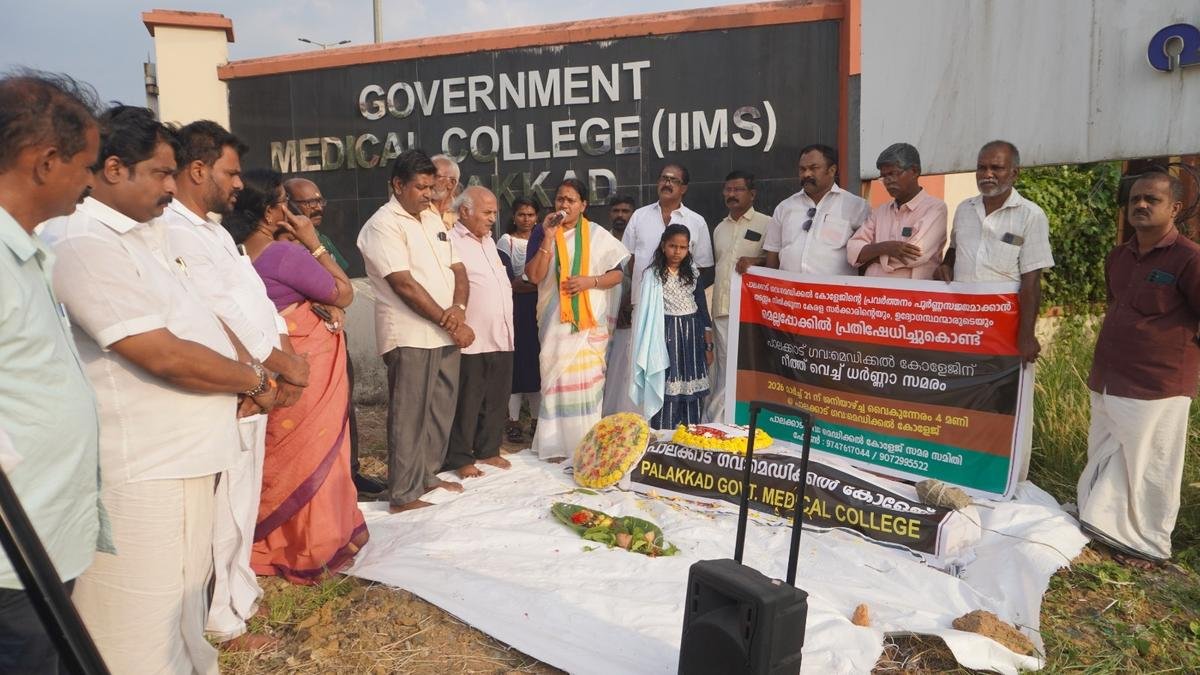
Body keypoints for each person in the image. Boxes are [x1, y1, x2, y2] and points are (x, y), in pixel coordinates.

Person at [43, 105, 275, 675]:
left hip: (189, 456)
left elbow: (202, 316)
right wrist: (252, 380)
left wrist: (248, 370)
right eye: (161, 173)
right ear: (113, 169)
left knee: (183, 612)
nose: (172, 188)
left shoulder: (148, 233)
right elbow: (161, 353)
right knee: (135, 633)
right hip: (143, 469)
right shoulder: (82, 240)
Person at [161, 120, 310, 645]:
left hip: (255, 382)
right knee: (222, 508)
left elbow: (257, 303)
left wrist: (285, 361)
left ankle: (239, 594)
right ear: (198, 170)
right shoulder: (175, 231)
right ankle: (220, 618)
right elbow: (216, 313)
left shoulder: (216, 232)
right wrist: (264, 372)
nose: (240, 184)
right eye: (232, 173)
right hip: (233, 387)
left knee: (242, 500)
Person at [0, 70, 104, 674]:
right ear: (44, 163)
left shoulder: (26, 251)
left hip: (42, 540)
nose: (89, 182)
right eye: (85, 165)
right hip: (11, 560)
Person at [223, 169, 367, 583]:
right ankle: (312, 543)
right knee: (315, 452)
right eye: (283, 202)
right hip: (305, 367)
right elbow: (344, 292)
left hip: (270, 363)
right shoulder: (283, 255)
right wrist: (313, 242)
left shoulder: (234, 255)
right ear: (270, 212)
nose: (291, 209)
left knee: (279, 452)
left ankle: (272, 535)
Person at [1078, 170, 1200, 566]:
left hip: (1158, 383)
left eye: (1152, 199)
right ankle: (1104, 530)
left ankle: (1148, 545)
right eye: (1135, 199)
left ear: (1175, 208)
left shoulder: (1189, 259)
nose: (1141, 205)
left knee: (1151, 467)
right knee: (1105, 455)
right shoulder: (1119, 256)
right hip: (1109, 377)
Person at [358, 149, 474, 511]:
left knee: (439, 410)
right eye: (421, 188)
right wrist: (448, 320)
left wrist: (458, 311)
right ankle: (404, 493)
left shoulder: (432, 218)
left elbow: (458, 269)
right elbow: (404, 285)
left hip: (444, 332)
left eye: (431, 187)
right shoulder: (382, 224)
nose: (428, 194)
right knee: (409, 415)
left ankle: (426, 475)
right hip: (409, 334)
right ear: (398, 185)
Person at [285, 176, 385, 494]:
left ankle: (350, 473)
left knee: (343, 405)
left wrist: (333, 302)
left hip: (334, 336)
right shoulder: (282, 244)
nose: (317, 207)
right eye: (308, 202)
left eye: (320, 201)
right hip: (300, 342)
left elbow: (340, 285)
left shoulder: (320, 239)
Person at [523, 178, 629, 461]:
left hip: (588, 326)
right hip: (554, 323)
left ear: (583, 205)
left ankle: (584, 445)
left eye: (571, 200)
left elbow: (617, 275)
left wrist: (589, 281)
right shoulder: (542, 231)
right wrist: (548, 237)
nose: (564, 204)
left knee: (588, 385)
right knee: (555, 381)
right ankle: (554, 445)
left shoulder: (596, 234)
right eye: (560, 199)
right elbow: (534, 276)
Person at [935, 140, 1054, 363]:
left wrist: (1027, 335)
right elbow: (954, 248)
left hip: (1003, 326)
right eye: (982, 168)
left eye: (996, 168)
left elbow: (1031, 281)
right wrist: (946, 264)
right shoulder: (964, 209)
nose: (987, 174)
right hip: (960, 325)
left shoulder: (1031, 215)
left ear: (1014, 173)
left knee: (998, 382)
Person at [446, 186, 515, 477]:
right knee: (467, 401)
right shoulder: (450, 240)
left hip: (501, 333)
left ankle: (488, 450)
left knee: (496, 398)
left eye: (495, 213)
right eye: (487, 213)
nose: (492, 219)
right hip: (471, 336)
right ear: (465, 211)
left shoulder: (489, 242)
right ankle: (460, 457)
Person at [631, 224, 714, 429]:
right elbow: (647, 314)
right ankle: (662, 436)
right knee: (666, 385)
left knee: (691, 387)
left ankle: (689, 435)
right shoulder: (653, 275)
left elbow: (703, 310)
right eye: (672, 246)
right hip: (665, 336)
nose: (677, 252)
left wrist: (708, 346)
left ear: (688, 249)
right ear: (663, 246)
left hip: (692, 336)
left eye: (683, 247)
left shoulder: (693, 274)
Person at [706, 170, 771, 422]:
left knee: (744, 367)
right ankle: (719, 421)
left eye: (738, 189)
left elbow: (776, 263)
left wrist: (757, 261)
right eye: (728, 190)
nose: (731, 194)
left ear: (752, 194)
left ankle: (722, 420)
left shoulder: (767, 224)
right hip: (722, 309)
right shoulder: (719, 229)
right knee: (723, 366)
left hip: (751, 312)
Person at [763, 143, 870, 275]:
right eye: (802, 169)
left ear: (832, 170)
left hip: (835, 288)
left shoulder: (857, 206)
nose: (806, 174)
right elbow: (772, 256)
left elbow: (866, 259)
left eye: (814, 168)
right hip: (789, 288)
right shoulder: (784, 207)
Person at [847, 143, 947, 279]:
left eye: (893, 173)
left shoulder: (935, 208)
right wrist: (886, 248)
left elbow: (914, 257)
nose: (888, 181)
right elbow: (852, 252)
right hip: (874, 290)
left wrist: (870, 257)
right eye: (884, 177)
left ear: (914, 171)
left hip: (910, 292)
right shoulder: (880, 212)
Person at [623, 163, 714, 304]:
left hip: (679, 304)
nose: (667, 183)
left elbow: (701, 266)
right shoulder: (639, 216)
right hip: (643, 300)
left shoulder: (697, 222)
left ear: (683, 188)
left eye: (674, 180)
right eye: (664, 178)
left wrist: (678, 285)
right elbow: (630, 257)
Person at [497, 196, 542, 442]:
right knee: (516, 365)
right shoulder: (506, 242)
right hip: (516, 310)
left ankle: (536, 421)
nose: (526, 219)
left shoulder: (544, 240)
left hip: (540, 310)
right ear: (514, 217)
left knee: (537, 366)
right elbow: (509, 282)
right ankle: (513, 421)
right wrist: (536, 285)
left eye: (531, 215)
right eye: (522, 214)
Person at [602, 194, 640, 416]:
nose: (620, 215)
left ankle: (624, 413)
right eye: (616, 211)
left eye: (625, 211)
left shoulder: (639, 241)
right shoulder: (602, 241)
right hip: (605, 312)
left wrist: (629, 302)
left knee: (625, 366)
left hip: (632, 313)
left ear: (633, 215)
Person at [430, 153, 461, 230]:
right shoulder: (417, 208)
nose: (429, 181)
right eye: (428, 175)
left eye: (436, 176)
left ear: (451, 183)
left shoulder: (462, 213)